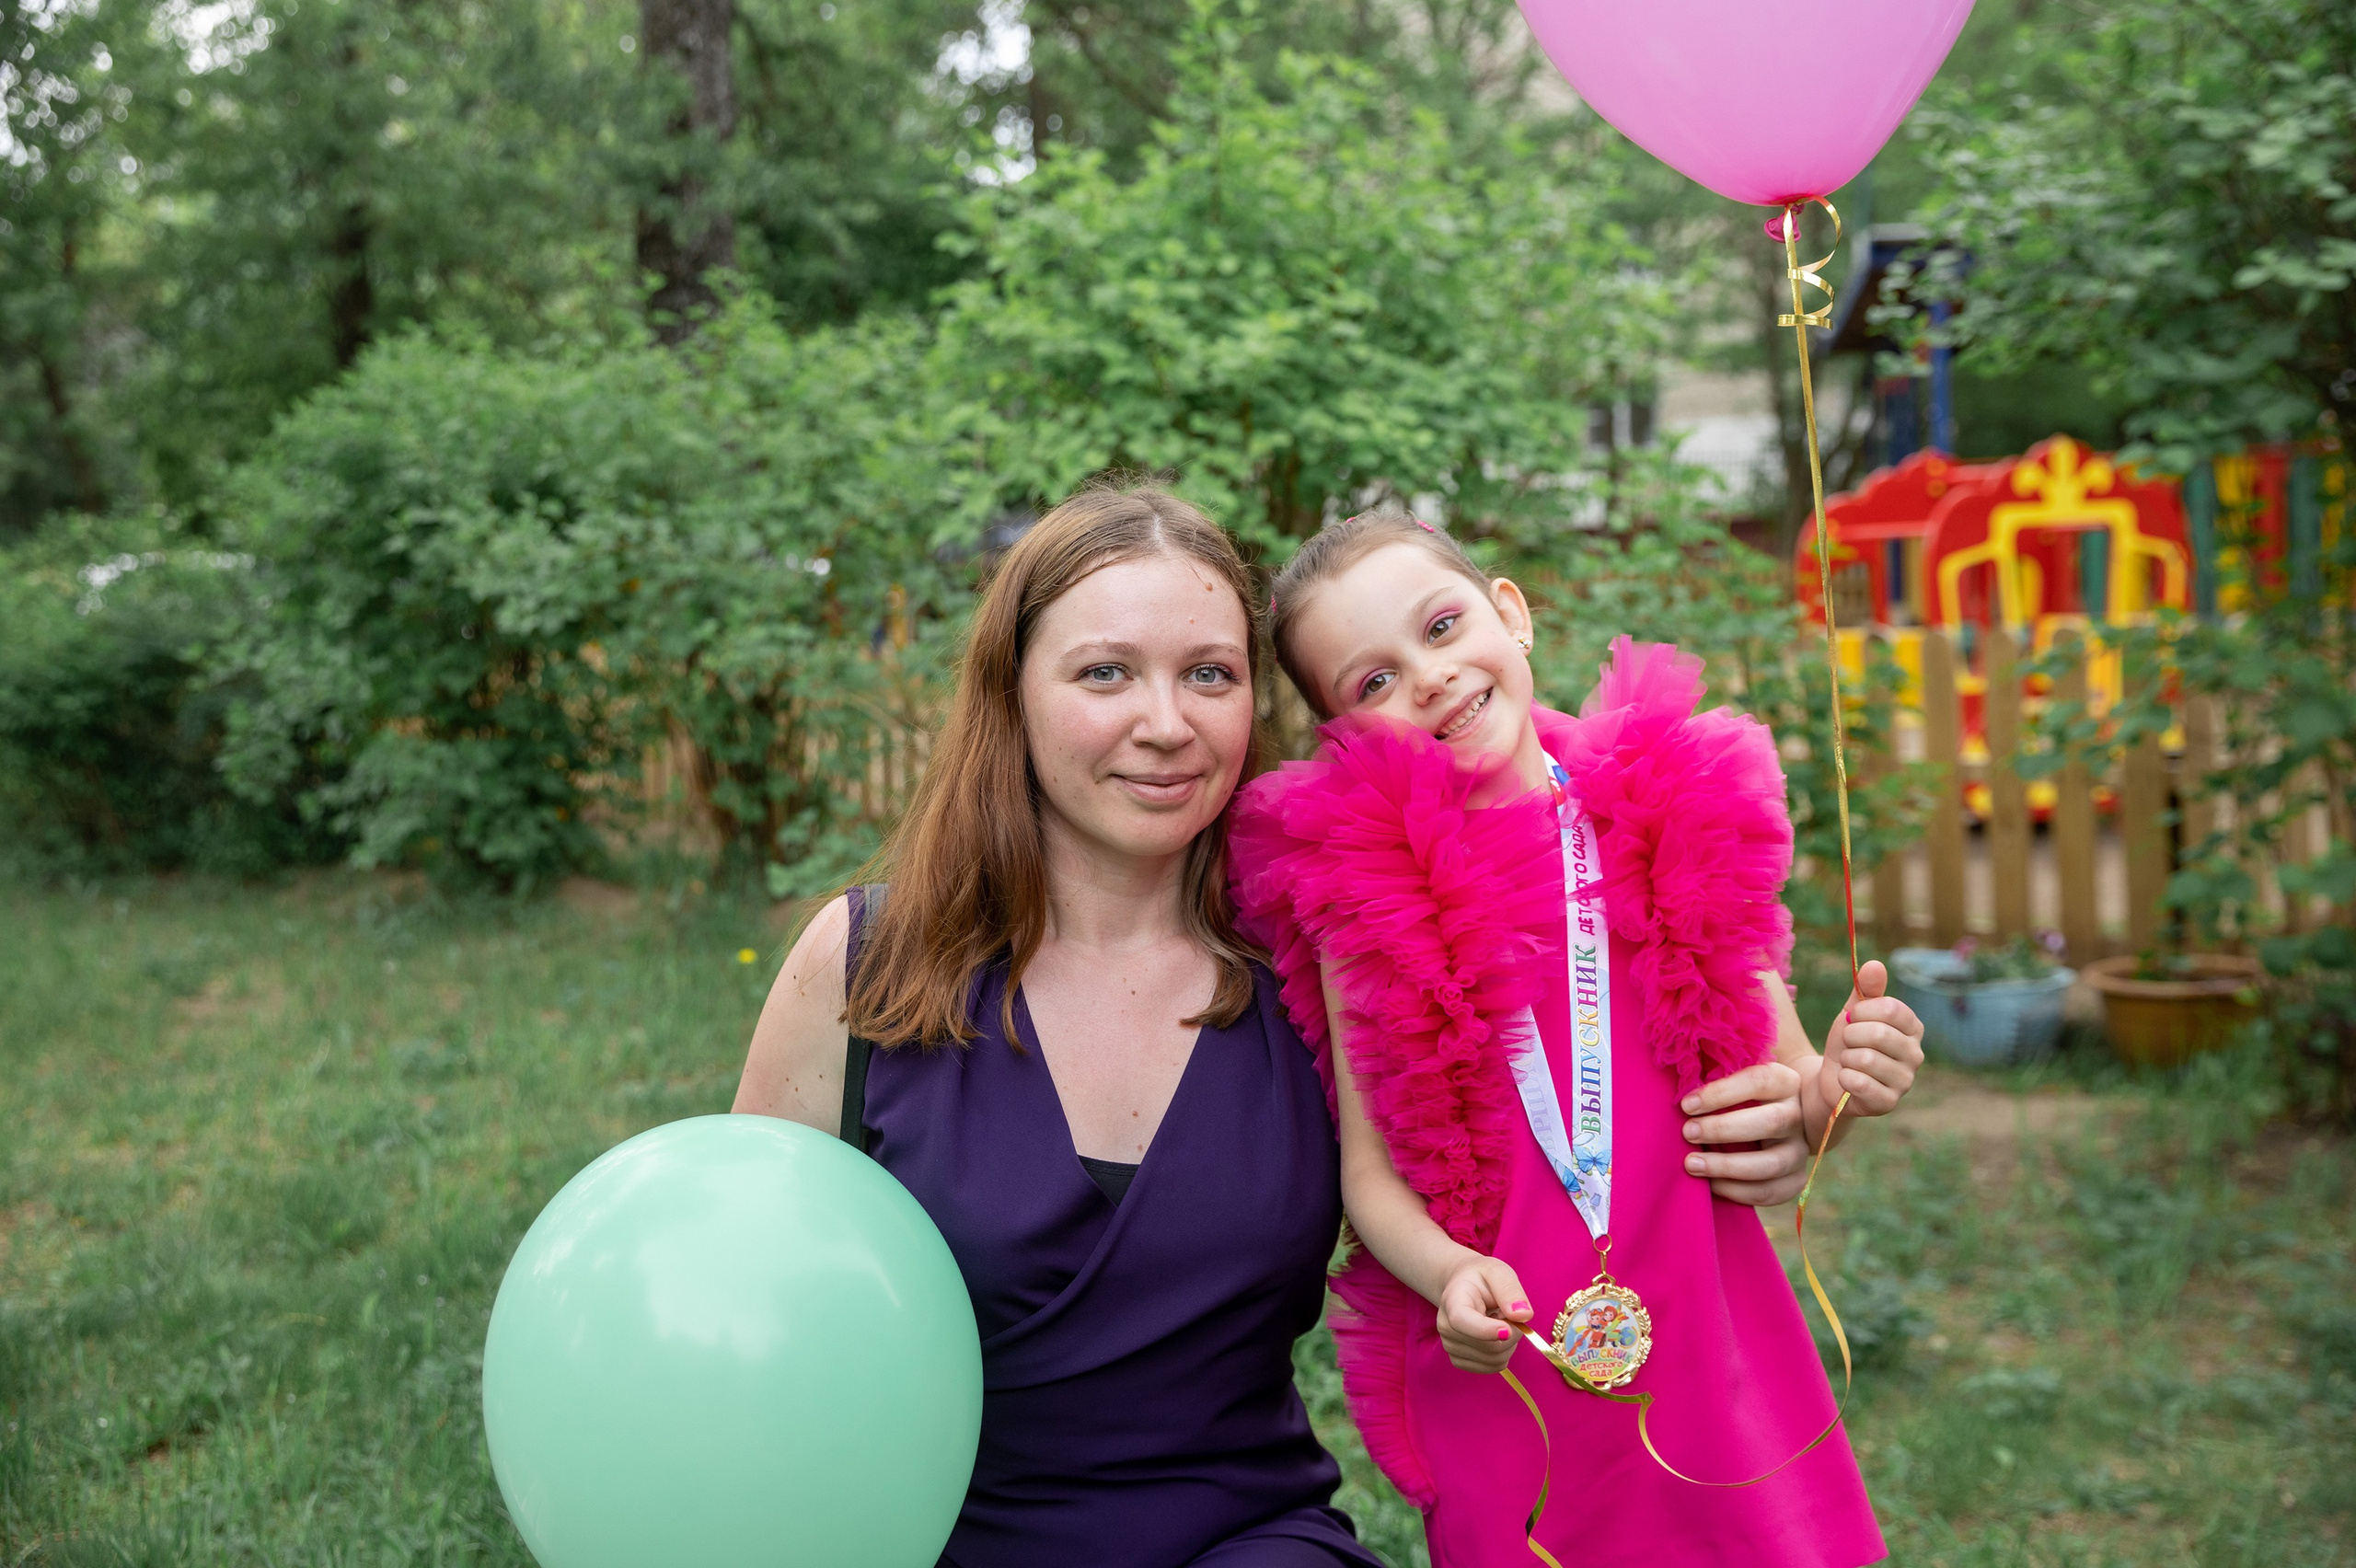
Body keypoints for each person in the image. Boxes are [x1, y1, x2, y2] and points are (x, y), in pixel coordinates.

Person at [733, 483, 1846, 1568]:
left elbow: (1585, 959)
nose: (1164, 725)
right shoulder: (864, 966)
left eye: (1207, 675)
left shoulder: (1335, 962)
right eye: (1105, 672)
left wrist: (1789, 1119)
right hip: (923, 1537)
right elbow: (740, 1314)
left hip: (1246, 1540)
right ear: (1009, 691)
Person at [1227, 511, 1927, 1568]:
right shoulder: (1364, 905)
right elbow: (1369, 1177)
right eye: (1369, 683)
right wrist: (1447, 1274)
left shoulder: (1663, 812)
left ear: (1510, 615)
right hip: (1509, 1374)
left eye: (1442, 625)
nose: (1427, 678)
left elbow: (1786, 1084)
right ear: (1343, 734)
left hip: (1710, 1341)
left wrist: (1837, 1088)